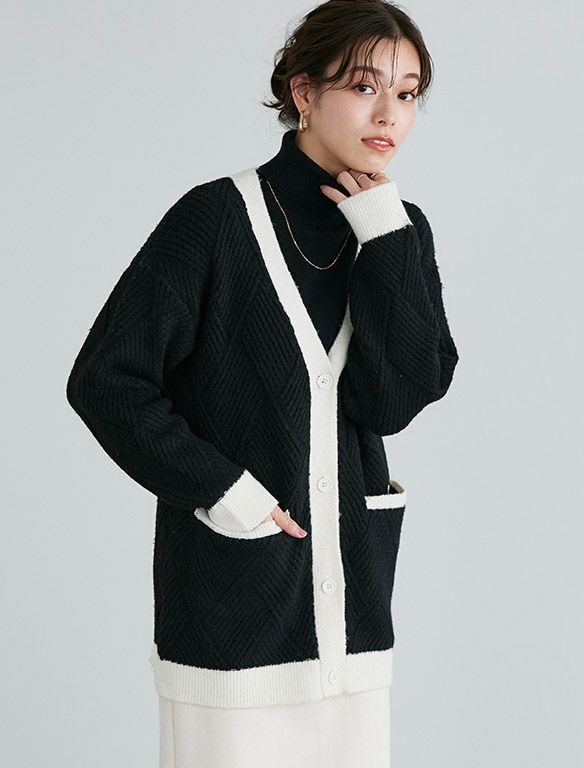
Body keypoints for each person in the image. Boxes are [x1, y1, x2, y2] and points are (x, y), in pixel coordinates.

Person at [66, 1, 460, 765]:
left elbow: (393, 400)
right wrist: (226, 492)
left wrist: (385, 237)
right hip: (232, 611)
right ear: (303, 91)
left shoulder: (396, 227)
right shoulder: (215, 219)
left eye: (408, 93)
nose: (389, 113)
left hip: (353, 623)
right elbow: (107, 381)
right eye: (364, 86)